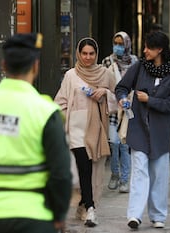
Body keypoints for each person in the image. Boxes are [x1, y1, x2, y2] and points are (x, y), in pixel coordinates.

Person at [0, 33, 72, 233]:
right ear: (36, 66)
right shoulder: (46, 111)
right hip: (35, 217)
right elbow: (61, 173)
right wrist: (58, 215)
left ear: (3, 65)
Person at [115, 31, 170, 230]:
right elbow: (121, 87)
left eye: (148, 47)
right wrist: (123, 98)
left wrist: (150, 100)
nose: (144, 51)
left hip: (161, 133)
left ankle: (158, 215)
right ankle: (134, 215)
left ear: (159, 49)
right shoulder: (139, 67)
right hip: (139, 130)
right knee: (139, 172)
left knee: (159, 175)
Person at [54, 37, 116, 227]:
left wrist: (104, 93)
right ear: (78, 54)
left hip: (96, 129)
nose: (88, 57)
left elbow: (119, 98)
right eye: (84, 53)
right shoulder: (71, 75)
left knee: (93, 169)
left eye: (91, 54)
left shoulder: (105, 74)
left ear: (96, 54)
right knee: (84, 166)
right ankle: (91, 208)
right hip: (75, 129)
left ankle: (83, 204)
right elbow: (60, 101)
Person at [101, 31, 138, 193]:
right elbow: (102, 82)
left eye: (121, 44)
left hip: (128, 108)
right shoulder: (107, 61)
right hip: (113, 108)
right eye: (115, 43)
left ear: (127, 44)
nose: (118, 47)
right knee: (114, 143)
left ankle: (124, 179)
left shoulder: (135, 61)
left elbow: (138, 82)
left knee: (124, 144)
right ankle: (114, 174)